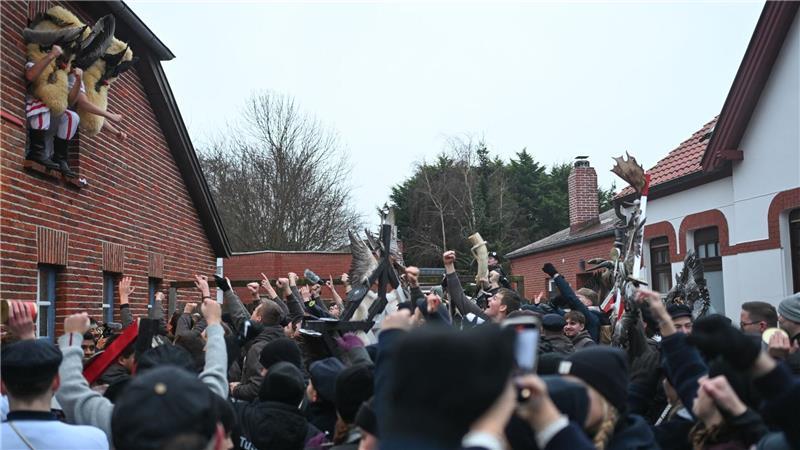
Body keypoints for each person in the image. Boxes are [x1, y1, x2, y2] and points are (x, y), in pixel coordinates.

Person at [1, 303, 108, 450]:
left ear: (2, 385)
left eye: (91, 347)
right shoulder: (94, 440)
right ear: (57, 382)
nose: (88, 351)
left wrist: (27, 338)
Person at [444, 250, 520, 324]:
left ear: (502, 307)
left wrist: (493, 283)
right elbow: (459, 296)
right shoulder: (483, 318)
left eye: (494, 298)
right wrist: (449, 265)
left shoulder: (512, 334)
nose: (489, 298)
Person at [541, 263, 600, 342]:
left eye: (578, 298)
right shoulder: (574, 315)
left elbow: (571, 298)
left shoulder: (591, 316)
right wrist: (554, 303)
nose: (568, 326)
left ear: (589, 302)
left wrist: (555, 275)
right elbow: (552, 312)